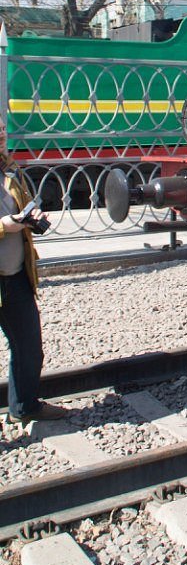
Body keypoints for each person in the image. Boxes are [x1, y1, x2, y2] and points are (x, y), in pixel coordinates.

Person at [0, 115, 66, 426]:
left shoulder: (10, 172)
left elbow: (23, 209)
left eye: (1, 130)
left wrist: (31, 218)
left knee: (29, 347)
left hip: (15, 276)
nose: (1, 136)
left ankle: (24, 406)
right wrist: (6, 225)